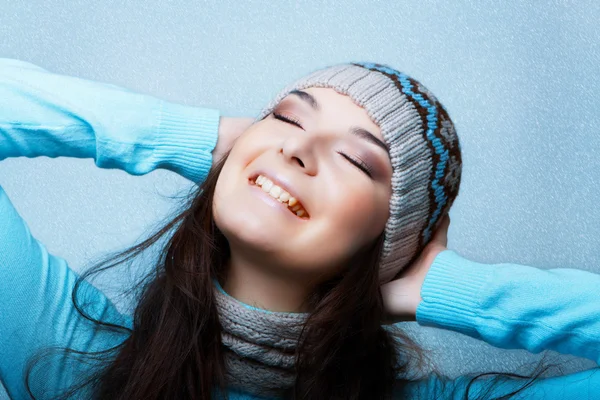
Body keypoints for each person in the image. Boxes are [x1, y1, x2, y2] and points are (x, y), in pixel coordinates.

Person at [0, 57, 598, 400]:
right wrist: (190, 136)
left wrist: (440, 290)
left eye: (357, 161)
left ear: (390, 241)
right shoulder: (71, 358)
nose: (298, 148)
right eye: (286, 117)